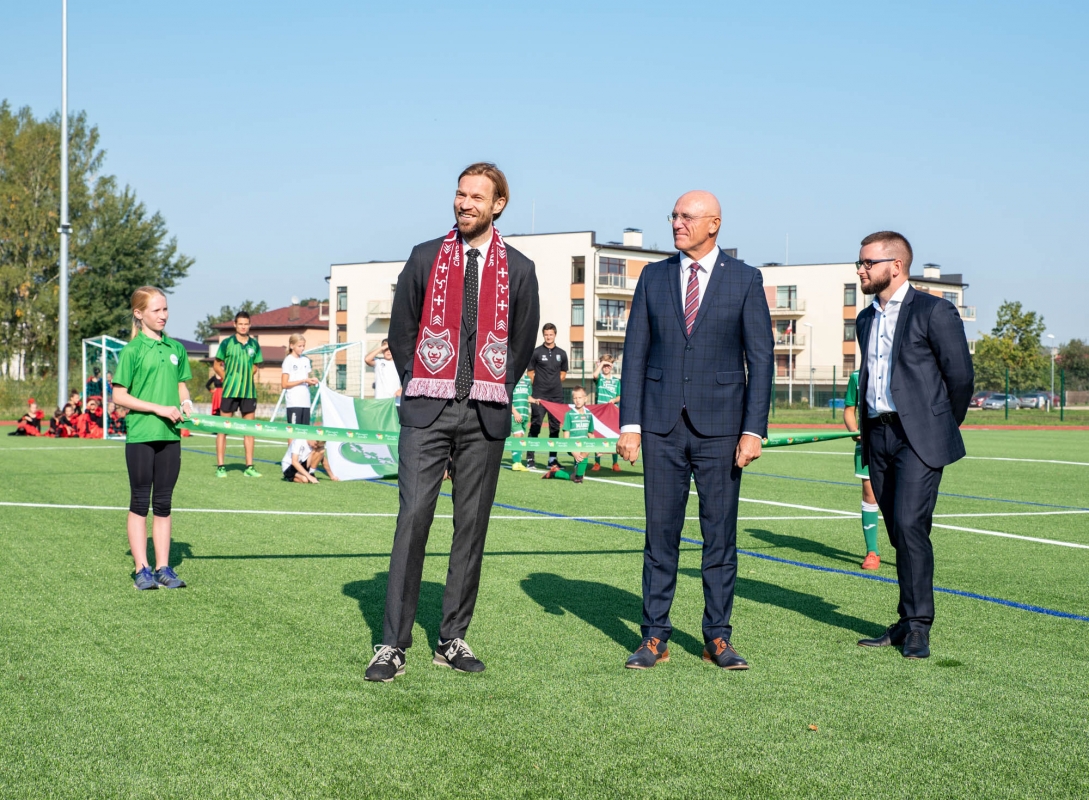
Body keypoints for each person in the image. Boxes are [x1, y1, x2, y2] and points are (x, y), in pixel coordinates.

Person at [365, 162, 540, 683]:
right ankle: (392, 644)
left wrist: (494, 388)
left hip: (484, 416)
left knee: (471, 531)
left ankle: (451, 638)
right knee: (412, 520)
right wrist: (426, 382)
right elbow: (402, 333)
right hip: (426, 411)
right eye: (459, 195)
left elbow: (522, 342)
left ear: (498, 204)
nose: (464, 204)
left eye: (475, 197)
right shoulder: (424, 258)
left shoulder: (522, 269)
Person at [617, 190, 773, 671]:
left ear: (715, 224)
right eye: (674, 215)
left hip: (723, 431)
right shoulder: (654, 276)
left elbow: (761, 360)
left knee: (719, 538)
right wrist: (630, 423)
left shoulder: (745, 280)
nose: (677, 223)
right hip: (661, 427)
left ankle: (717, 637)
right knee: (658, 536)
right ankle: (655, 635)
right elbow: (636, 354)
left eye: (687, 216)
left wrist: (754, 430)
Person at [853, 231, 973, 660]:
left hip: (918, 437)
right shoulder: (865, 318)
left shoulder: (934, 311)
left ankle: (919, 625)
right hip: (878, 434)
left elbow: (960, 378)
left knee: (909, 525)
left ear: (895, 266)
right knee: (896, 528)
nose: (861, 270)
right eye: (860, 263)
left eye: (868, 263)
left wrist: (937, 425)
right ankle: (905, 620)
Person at [111, 285, 193, 590]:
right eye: (157, 310)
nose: (163, 315)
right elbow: (120, 395)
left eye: (166, 309)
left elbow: (182, 385)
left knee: (164, 503)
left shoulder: (176, 349)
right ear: (139, 313)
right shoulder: (131, 351)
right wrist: (159, 408)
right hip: (142, 435)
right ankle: (141, 568)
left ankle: (163, 567)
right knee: (139, 501)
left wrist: (185, 402)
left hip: (171, 436)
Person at [213, 311, 263, 478]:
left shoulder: (254, 345)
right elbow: (216, 365)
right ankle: (221, 466)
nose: (243, 326)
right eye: (240, 323)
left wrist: (248, 375)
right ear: (235, 325)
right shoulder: (227, 343)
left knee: (249, 430)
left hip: (248, 392)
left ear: (249, 325)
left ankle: (249, 466)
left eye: (246, 324)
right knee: (223, 429)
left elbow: (256, 366)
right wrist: (227, 378)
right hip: (229, 392)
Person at [843, 369, 881, 570]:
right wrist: (854, 430)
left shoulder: (901, 370)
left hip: (900, 442)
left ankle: (905, 548)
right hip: (867, 444)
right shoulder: (857, 376)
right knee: (870, 493)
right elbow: (849, 409)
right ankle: (872, 551)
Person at [526, 323, 567, 470]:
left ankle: (552, 459)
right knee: (535, 426)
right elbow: (530, 371)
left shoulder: (561, 353)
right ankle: (530, 458)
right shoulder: (536, 352)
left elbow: (563, 373)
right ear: (543, 335)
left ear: (555, 335)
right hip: (539, 396)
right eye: (546, 334)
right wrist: (538, 383)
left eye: (551, 334)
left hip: (556, 397)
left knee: (554, 428)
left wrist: (554, 382)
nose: (548, 337)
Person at [542, 385, 594, 483]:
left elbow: (590, 433)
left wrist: (597, 447)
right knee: (584, 454)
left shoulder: (589, 414)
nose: (577, 400)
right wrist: (573, 451)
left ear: (585, 399)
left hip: (584, 445)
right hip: (573, 446)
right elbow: (566, 437)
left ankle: (555, 473)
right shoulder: (569, 414)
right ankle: (579, 479)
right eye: (575, 398)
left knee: (577, 474)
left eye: (580, 398)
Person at [592, 355, 622, 472]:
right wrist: (601, 363)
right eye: (604, 365)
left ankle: (615, 463)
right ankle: (597, 462)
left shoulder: (616, 381)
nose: (606, 368)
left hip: (612, 413)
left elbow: (620, 396)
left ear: (612, 367)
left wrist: (613, 400)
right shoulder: (600, 378)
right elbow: (594, 375)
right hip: (600, 413)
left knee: (613, 436)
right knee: (598, 436)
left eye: (608, 365)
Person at [281, 334, 318, 424]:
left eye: (303, 346)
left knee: (304, 432)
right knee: (293, 433)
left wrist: (311, 381)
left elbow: (306, 380)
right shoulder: (288, 360)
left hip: (305, 402)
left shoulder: (306, 360)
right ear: (291, 346)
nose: (302, 348)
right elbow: (284, 384)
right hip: (294, 402)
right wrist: (303, 380)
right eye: (299, 346)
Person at [509, 371, 533, 471]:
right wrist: (515, 412)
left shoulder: (527, 380)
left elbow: (528, 397)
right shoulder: (512, 379)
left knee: (521, 438)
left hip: (524, 415)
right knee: (517, 436)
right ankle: (515, 462)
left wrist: (535, 401)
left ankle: (518, 462)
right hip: (514, 415)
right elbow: (508, 398)